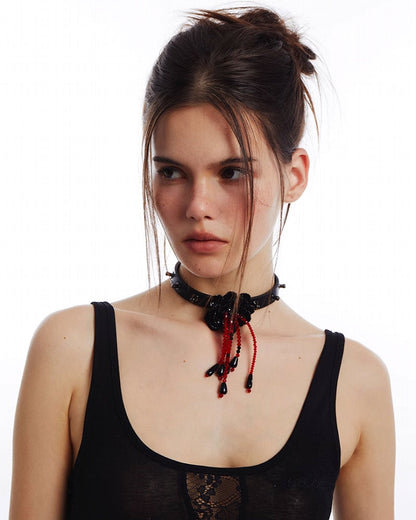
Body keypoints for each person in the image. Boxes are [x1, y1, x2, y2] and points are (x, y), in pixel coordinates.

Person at [9, 6, 395, 520]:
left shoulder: (356, 381)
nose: (197, 206)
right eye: (172, 172)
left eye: (232, 172)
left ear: (295, 175)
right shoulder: (72, 349)